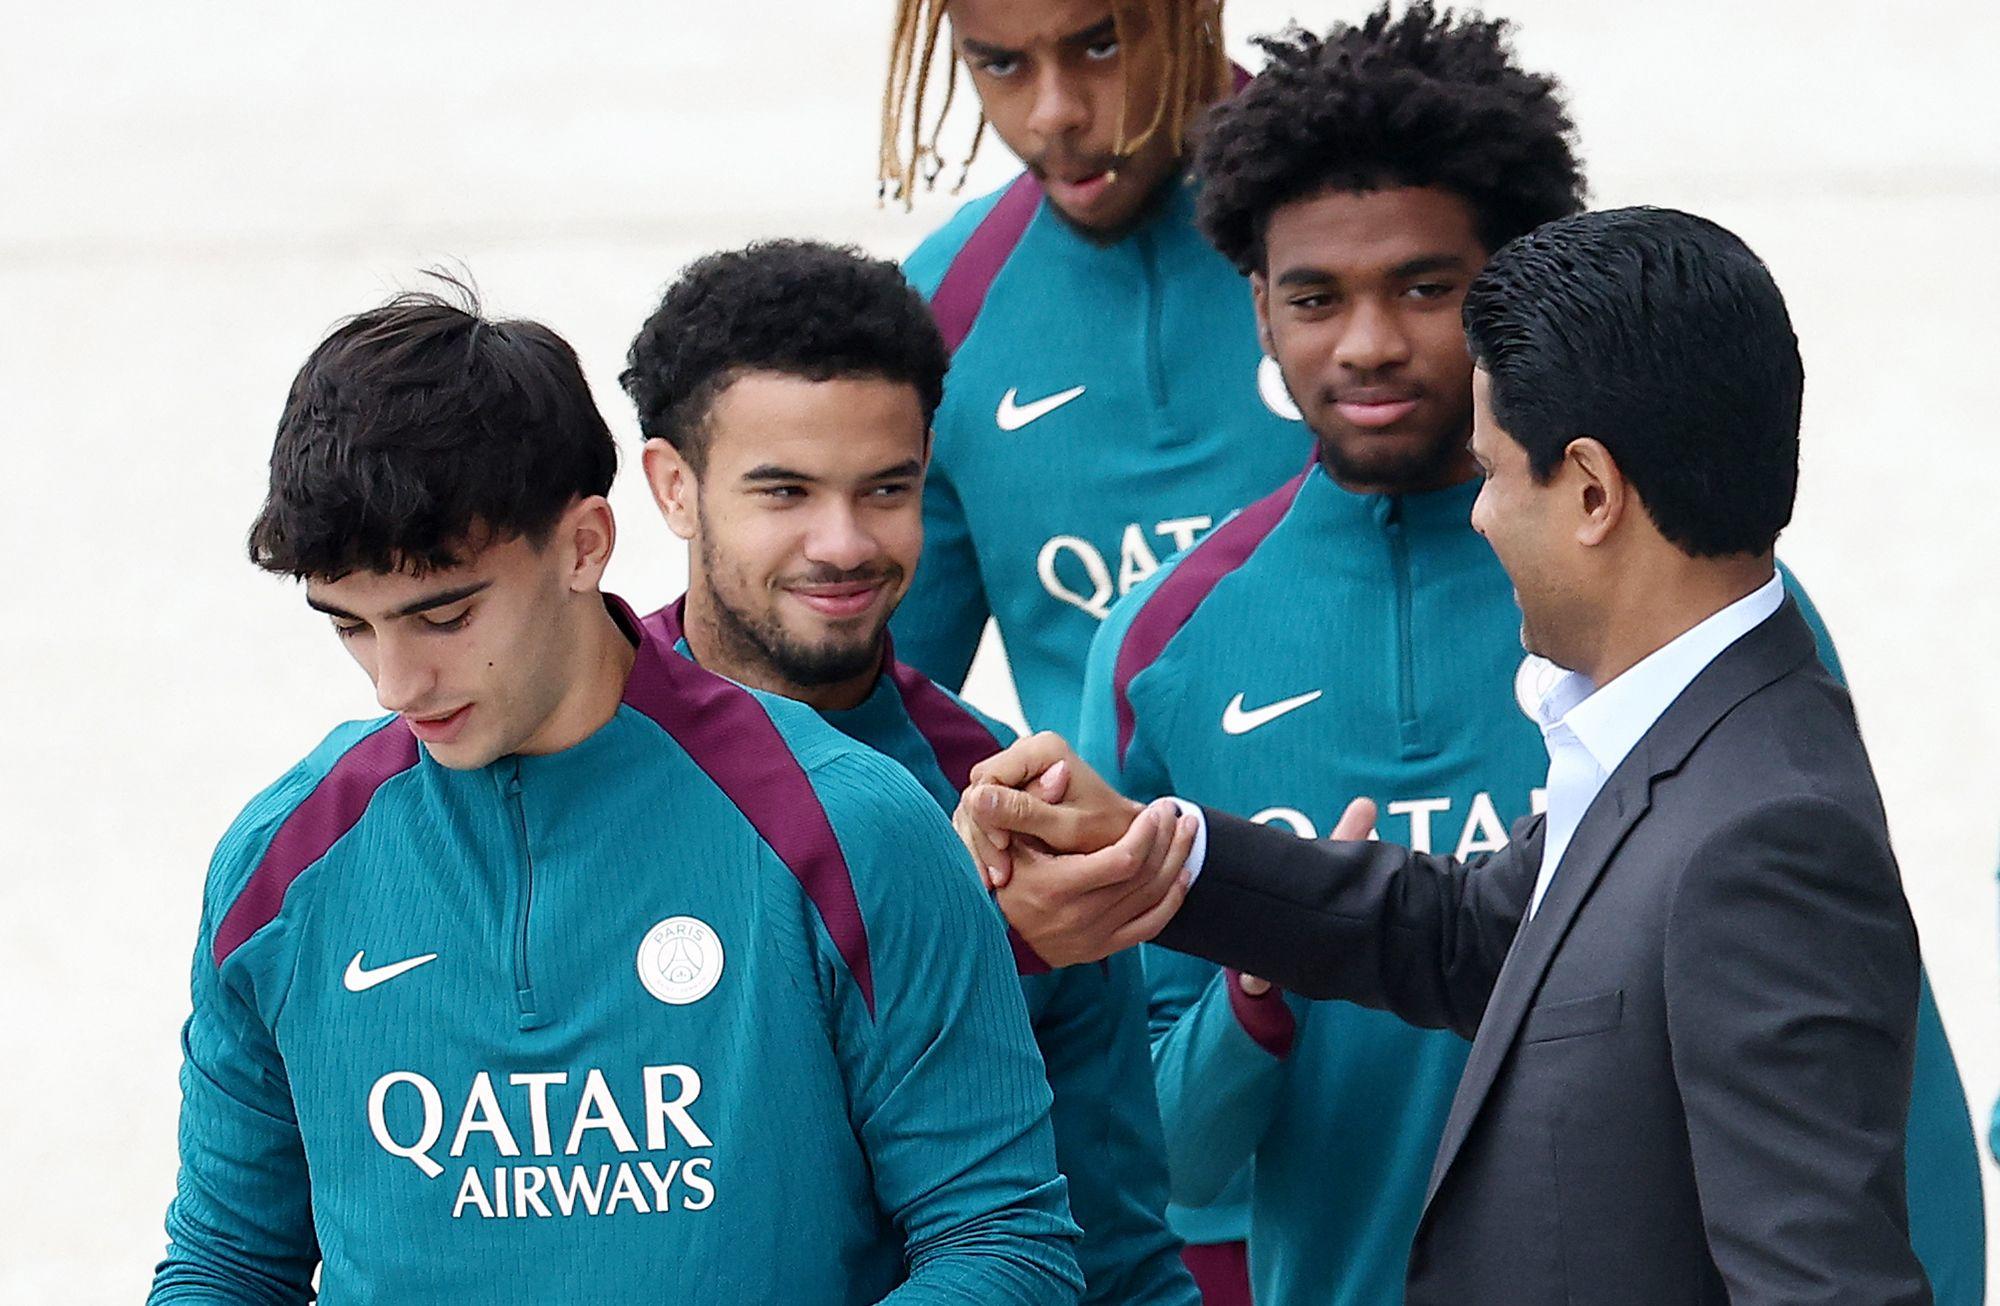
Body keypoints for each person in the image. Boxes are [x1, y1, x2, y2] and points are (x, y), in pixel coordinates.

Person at [1074, 9, 1986, 1303]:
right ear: (1259, 307)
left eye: (1427, 287)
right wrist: (1217, 924)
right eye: (1317, 295)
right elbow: (1447, 938)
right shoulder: (1163, 643)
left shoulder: (1725, 693)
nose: (1371, 342)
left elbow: (1868, 1123)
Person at [148, 285, 1084, 1303]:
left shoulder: (855, 828)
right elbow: (227, 1263)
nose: (395, 683)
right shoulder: (279, 866)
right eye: (351, 627)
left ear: (585, 542)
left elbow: (1001, 1241)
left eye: (445, 615)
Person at [618, 238, 1200, 1305]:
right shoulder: (554, 758)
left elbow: (1113, 1245)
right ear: (673, 486)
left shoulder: (1015, 801)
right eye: (784, 492)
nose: (841, 544)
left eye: (884, 488)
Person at [880, 0, 1311, 747]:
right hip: (1117, 864)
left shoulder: (1405, 245)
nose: (1055, 114)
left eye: (1101, 46)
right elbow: (875, 723)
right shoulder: (940, 315)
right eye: (1001, 63)